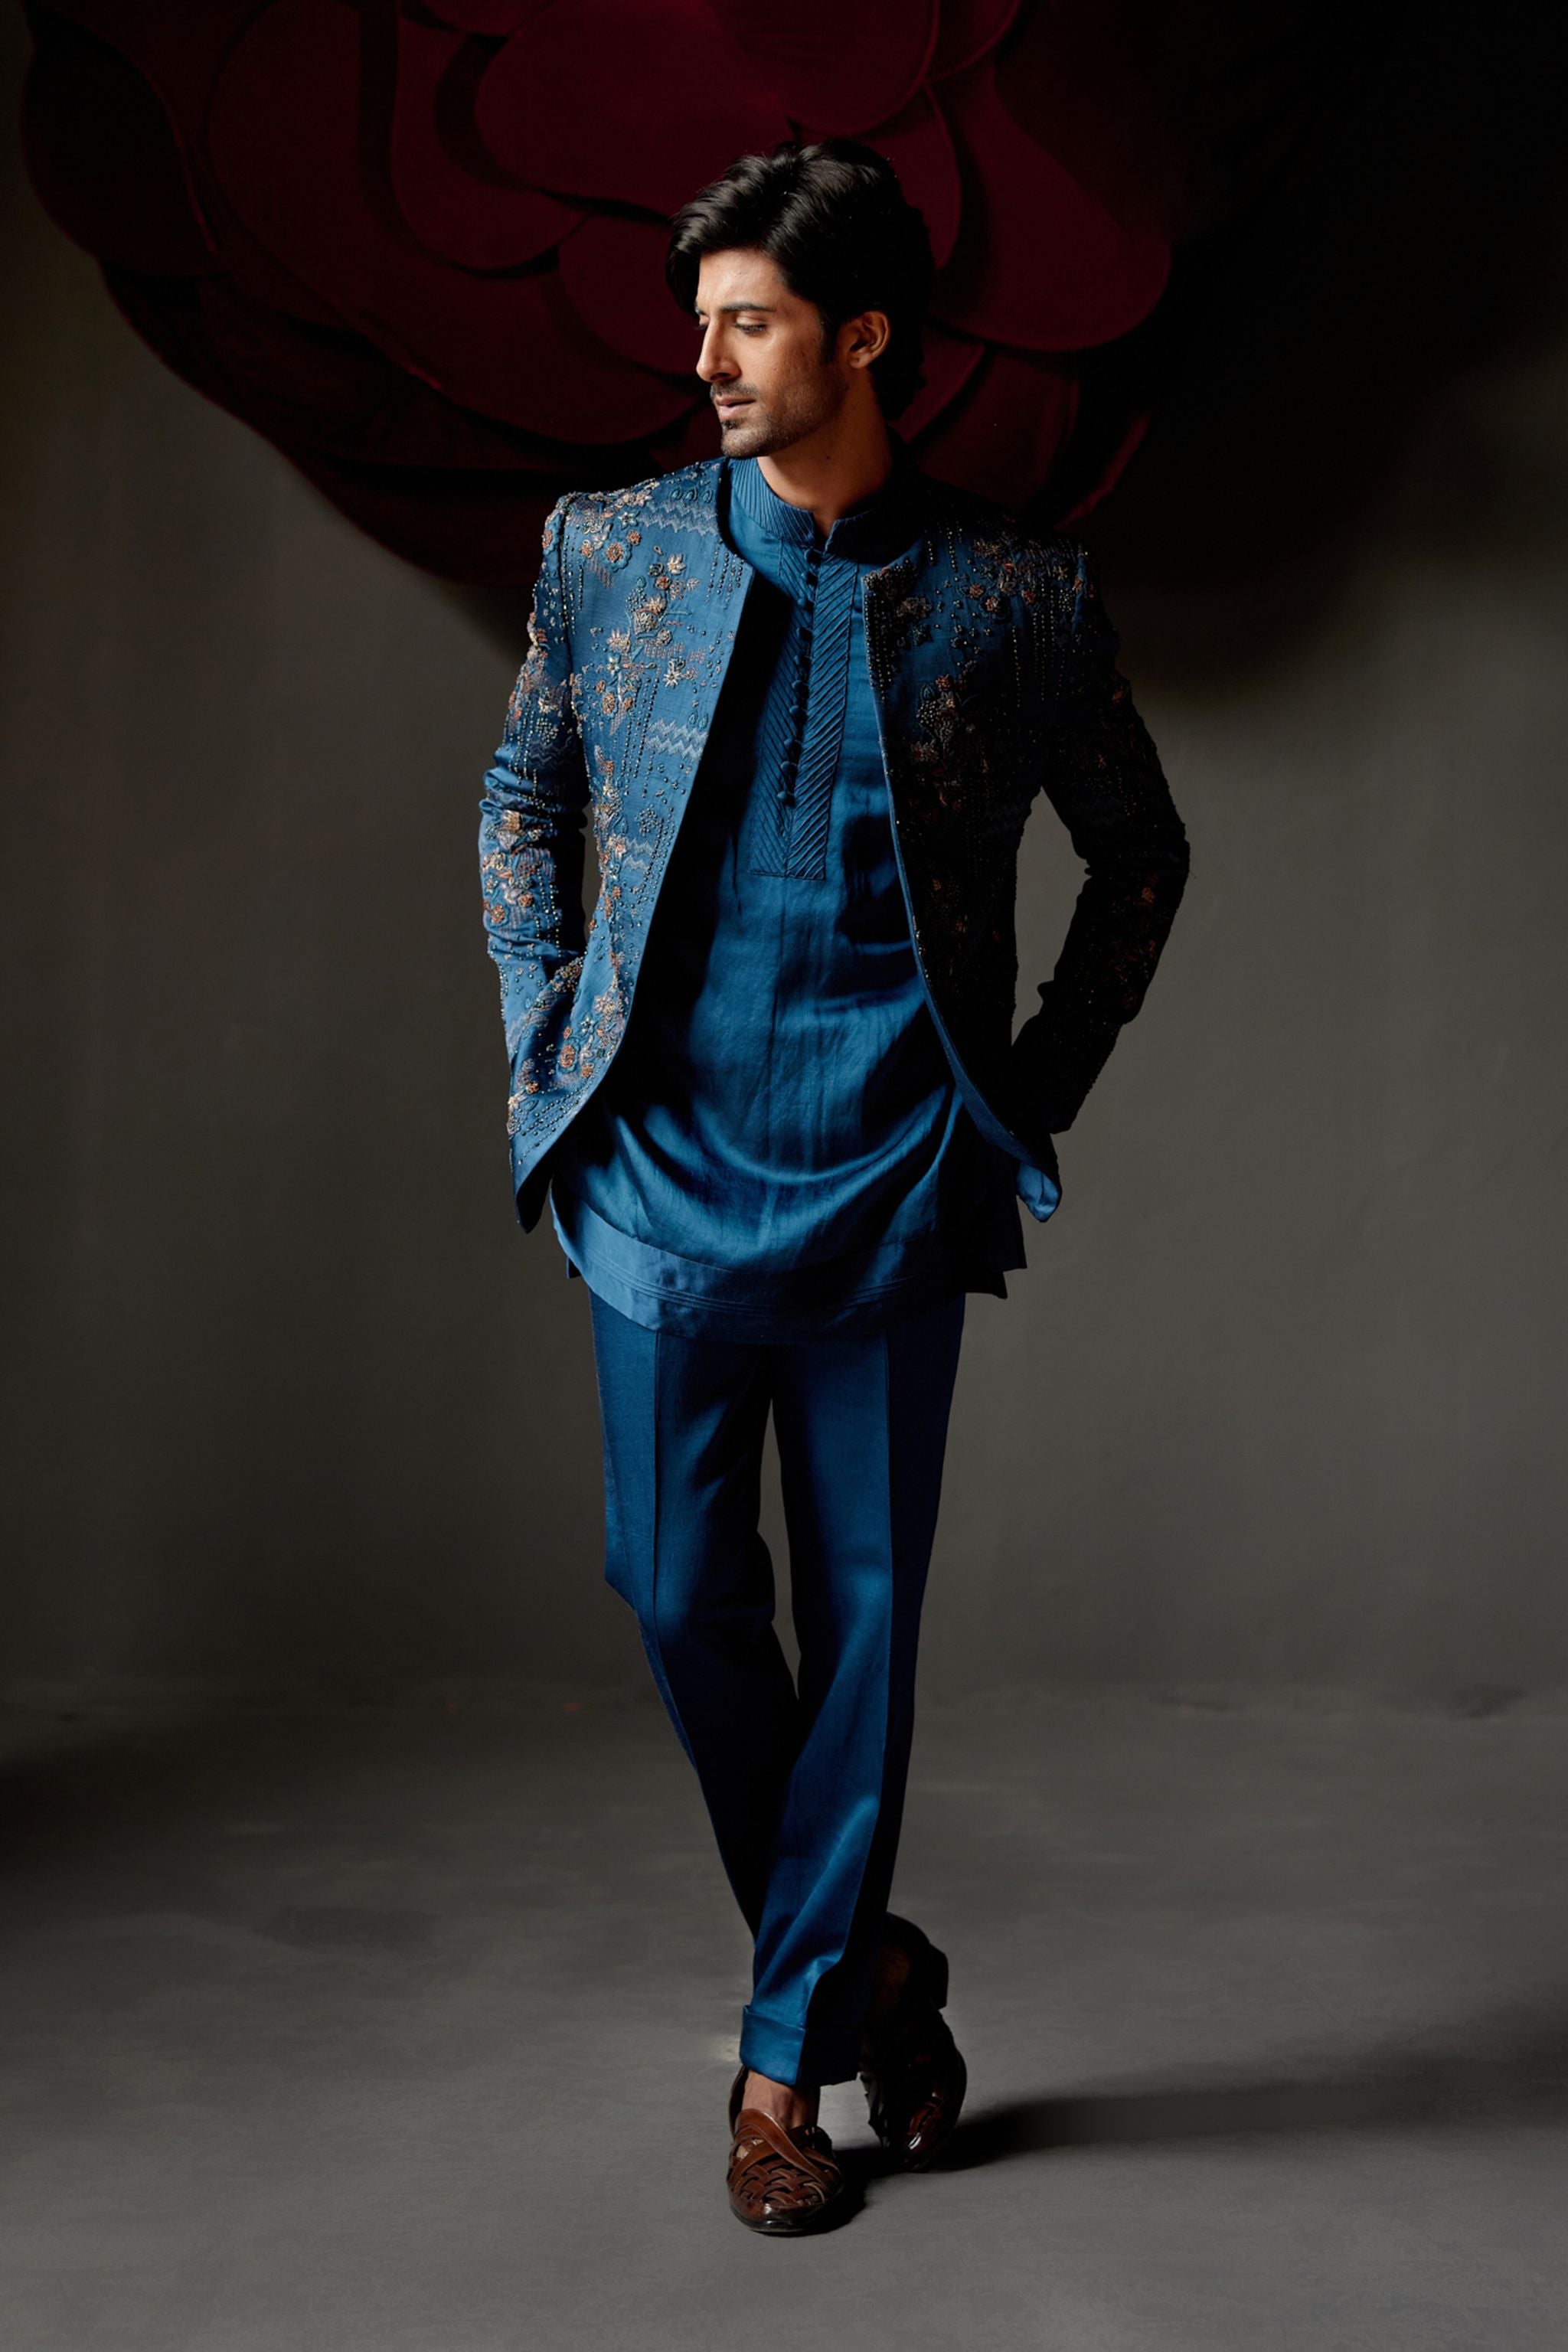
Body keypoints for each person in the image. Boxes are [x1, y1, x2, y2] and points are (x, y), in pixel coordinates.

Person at [478, 139, 1189, 2235]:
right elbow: (525, 791)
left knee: (867, 1619)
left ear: (861, 336)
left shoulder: (1015, 593)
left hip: (891, 1172)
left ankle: (782, 2071)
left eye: (750, 323)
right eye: (701, 321)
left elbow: (1139, 857)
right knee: (675, 1587)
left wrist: (1026, 1095)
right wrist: (545, 1045)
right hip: (659, 1173)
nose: (705, 359)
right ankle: (872, 1972)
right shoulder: (611, 550)